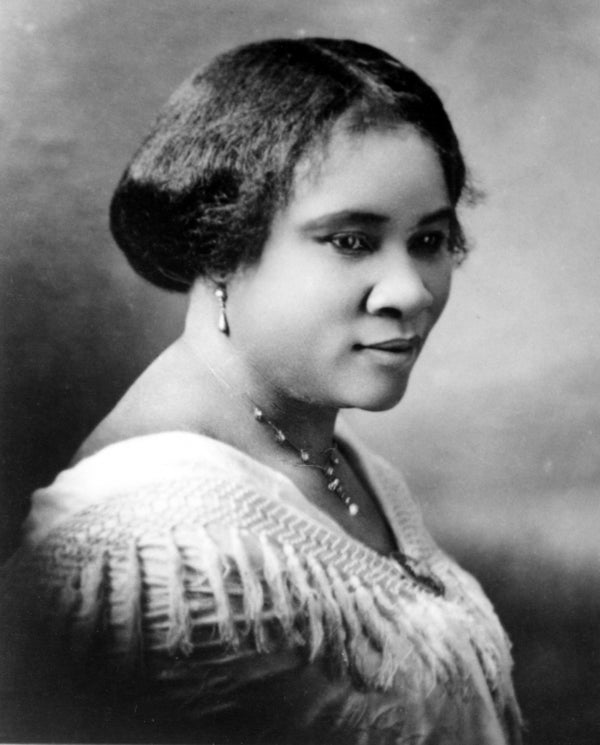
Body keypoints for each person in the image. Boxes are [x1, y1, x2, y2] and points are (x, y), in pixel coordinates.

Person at [0, 38, 522, 744]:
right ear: (220, 245)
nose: (410, 292)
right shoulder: (157, 547)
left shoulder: (336, 456)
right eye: (350, 241)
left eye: (428, 241)